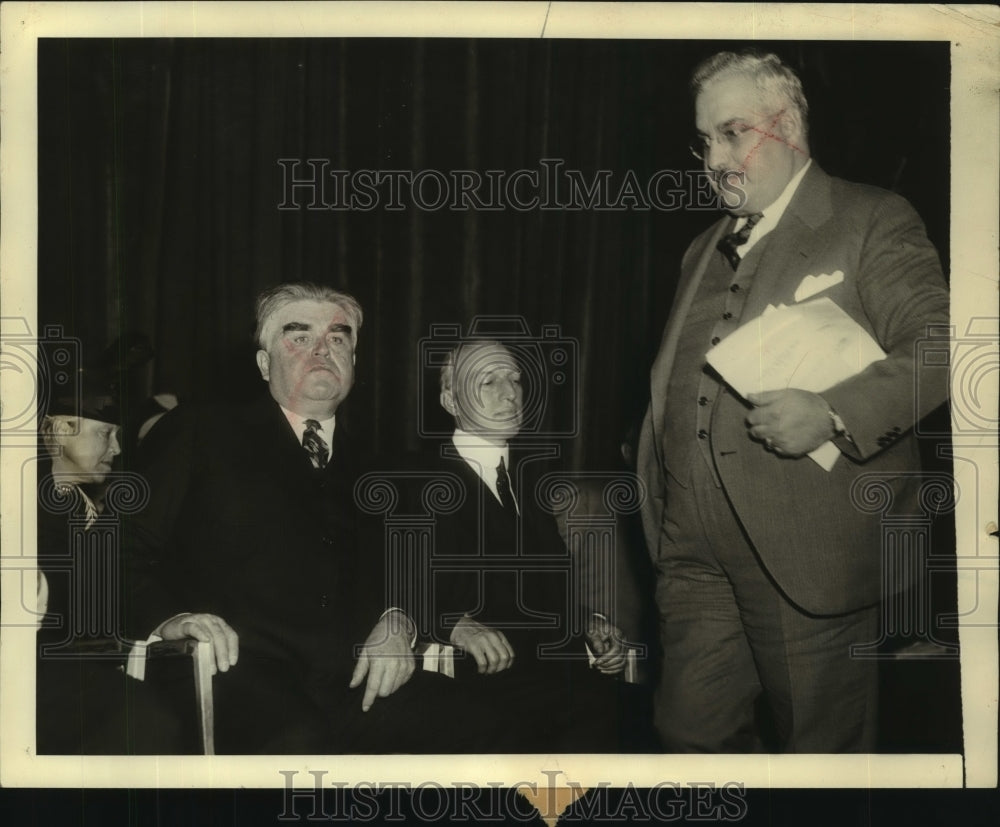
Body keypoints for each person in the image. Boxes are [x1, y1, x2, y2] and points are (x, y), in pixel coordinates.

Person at [637, 51, 950, 752]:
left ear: (790, 125)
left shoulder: (870, 217)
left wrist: (835, 412)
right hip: (692, 560)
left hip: (808, 559)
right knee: (687, 745)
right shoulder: (698, 249)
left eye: (732, 132)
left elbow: (943, 347)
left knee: (820, 765)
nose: (714, 159)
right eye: (704, 140)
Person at [123, 283, 417, 753]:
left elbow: (409, 566)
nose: (323, 349)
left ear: (355, 365)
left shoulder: (385, 466)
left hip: (362, 683)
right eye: (299, 337)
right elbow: (117, 552)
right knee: (302, 752)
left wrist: (399, 617)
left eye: (338, 339)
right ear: (264, 364)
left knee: (486, 730)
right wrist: (172, 620)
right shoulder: (200, 431)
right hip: (239, 676)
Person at [414, 338, 633, 752]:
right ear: (450, 400)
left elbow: (549, 585)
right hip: (481, 689)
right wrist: (453, 623)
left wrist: (591, 626)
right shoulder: (419, 478)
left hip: (562, 681)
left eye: (515, 379)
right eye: (488, 381)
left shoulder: (531, 478)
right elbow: (390, 580)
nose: (511, 393)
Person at [36, 373, 179, 753]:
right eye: (105, 434)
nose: (116, 448)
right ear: (63, 430)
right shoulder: (20, 509)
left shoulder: (99, 513)